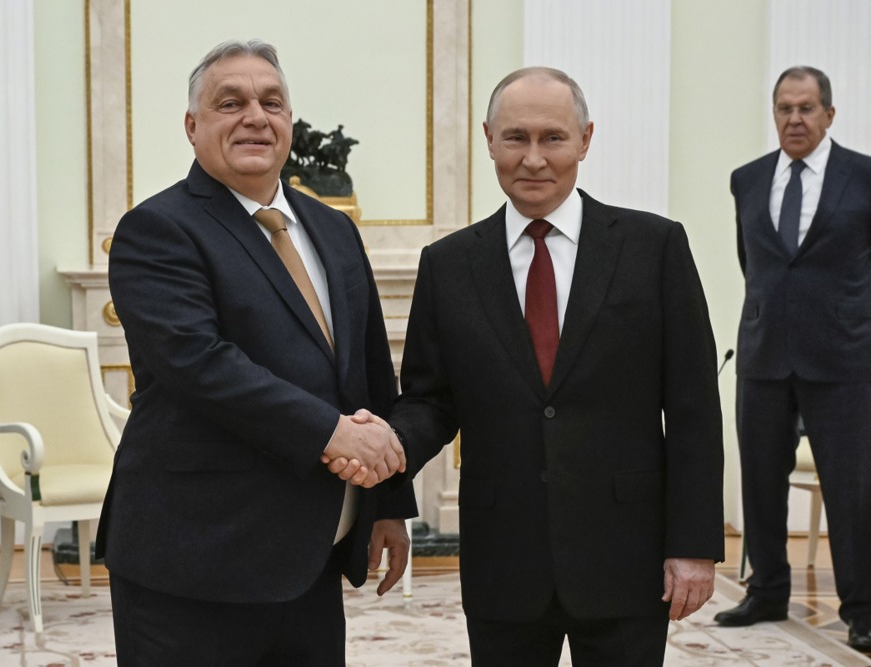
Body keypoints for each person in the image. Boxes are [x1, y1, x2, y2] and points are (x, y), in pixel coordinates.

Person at [336, 66, 725, 665]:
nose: (534, 158)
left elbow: (695, 407)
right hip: (504, 561)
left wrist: (694, 545)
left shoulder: (654, 248)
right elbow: (430, 400)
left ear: (585, 140)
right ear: (489, 140)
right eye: (516, 137)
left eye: (553, 138)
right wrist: (387, 446)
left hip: (626, 557)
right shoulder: (449, 265)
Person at [95, 38, 416, 665]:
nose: (255, 117)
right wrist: (332, 433)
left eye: (271, 103)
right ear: (192, 126)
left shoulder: (334, 229)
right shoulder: (157, 229)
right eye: (230, 103)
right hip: (195, 560)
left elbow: (369, 368)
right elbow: (200, 363)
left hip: (313, 556)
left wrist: (387, 505)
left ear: (289, 121)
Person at [714, 66, 871, 652]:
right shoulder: (748, 180)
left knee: (852, 489)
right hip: (764, 354)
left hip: (844, 358)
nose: (795, 119)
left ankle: (863, 609)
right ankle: (766, 591)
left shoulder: (863, 176)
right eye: (784, 108)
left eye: (806, 108)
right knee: (759, 480)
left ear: (829, 114)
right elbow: (752, 263)